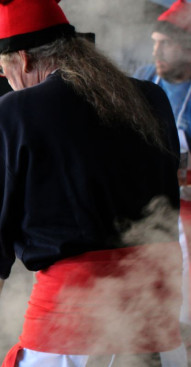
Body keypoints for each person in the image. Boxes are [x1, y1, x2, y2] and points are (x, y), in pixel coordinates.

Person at [0, 0, 186, 366]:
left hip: (72, 339)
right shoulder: (152, 98)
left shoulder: (12, 114)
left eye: (3, 68)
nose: (8, 80)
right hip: (157, 333)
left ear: (24, 60)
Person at [135, 0, 191, 326]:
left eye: (165, 43)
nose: (156, 51)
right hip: (150, 207)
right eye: (154, 42)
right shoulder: (143, 81)